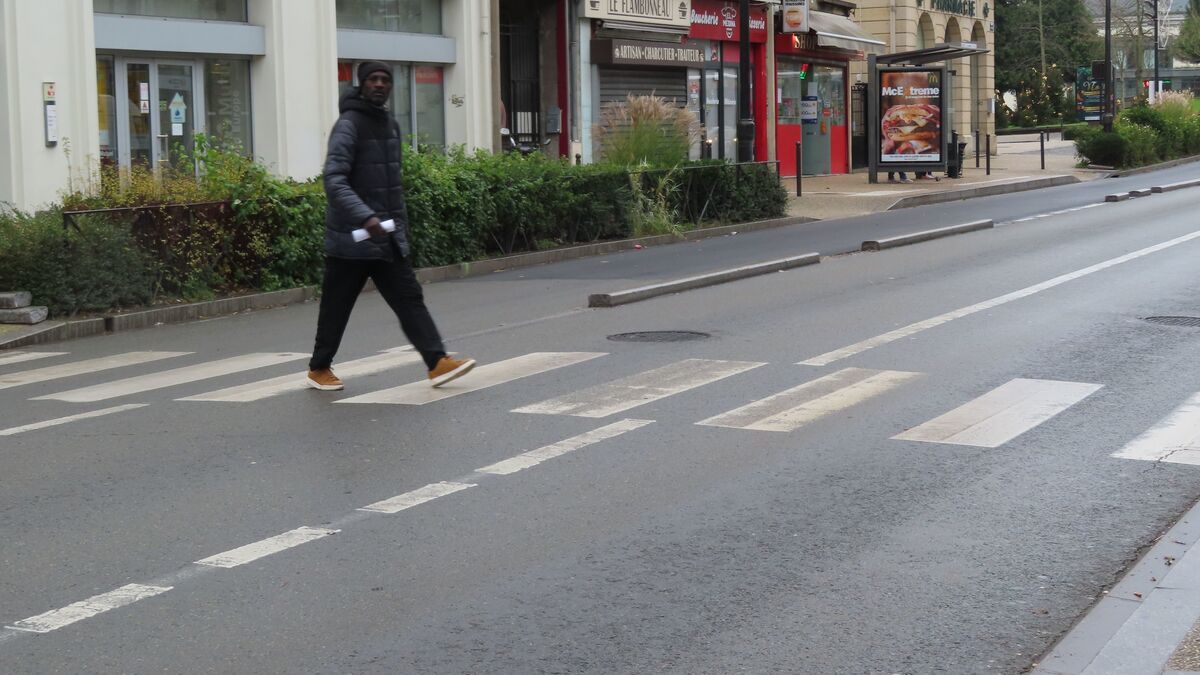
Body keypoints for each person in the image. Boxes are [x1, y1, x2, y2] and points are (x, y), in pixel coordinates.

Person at [307, 61, 475, 391]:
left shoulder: (390, 125)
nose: (380, 85)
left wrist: (398, 230)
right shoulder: (348, 125)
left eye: (385, 80)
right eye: (373, 79)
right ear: (362, 84)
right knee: (336, 309)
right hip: (351, 240)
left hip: (385, 238)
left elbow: (392, 186)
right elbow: (334, 179)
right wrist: (365, 217)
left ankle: (437, 362)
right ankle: (319, 368)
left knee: (410, 299)